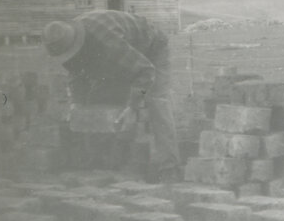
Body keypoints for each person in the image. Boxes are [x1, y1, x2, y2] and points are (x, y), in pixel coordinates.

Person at [43, 10, 181, 182]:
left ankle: (170, 169)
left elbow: (146, 71)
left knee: (156, 102)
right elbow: (76, 74)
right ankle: (102, 161)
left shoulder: (108, 42)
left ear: (78, 43)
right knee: (97, 97)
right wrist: (76, 104)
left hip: (152, 47)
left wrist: (132, 106)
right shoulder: (67, 37)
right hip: (125, 53)